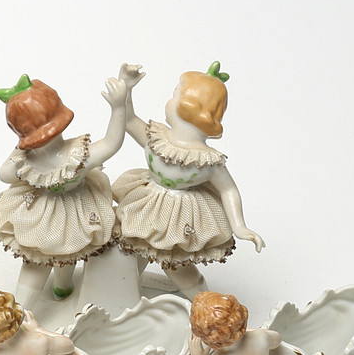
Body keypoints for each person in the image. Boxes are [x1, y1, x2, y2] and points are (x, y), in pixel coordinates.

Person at [113, 62, 263, 297]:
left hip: (180, 219)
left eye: (174, 94)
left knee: (177, 265)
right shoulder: (156, 139)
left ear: (188, 107)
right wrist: (126, 88)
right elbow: (129, 119)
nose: (168, 101)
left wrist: (239, 226)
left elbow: (228, 190)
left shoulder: (207, 161)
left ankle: (204, 302)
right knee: (132, 249)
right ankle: (125, 290)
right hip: (147, 206)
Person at [0, 72, 130, 307]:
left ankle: (60, 289)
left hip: (68, 210)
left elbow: (111, 144)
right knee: (39, 260)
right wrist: (118, 107)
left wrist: (118, 107)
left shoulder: (75, 157)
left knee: (64, 252)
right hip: (46, 214)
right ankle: (23, 309)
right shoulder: (31, 161)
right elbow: (111, 143)